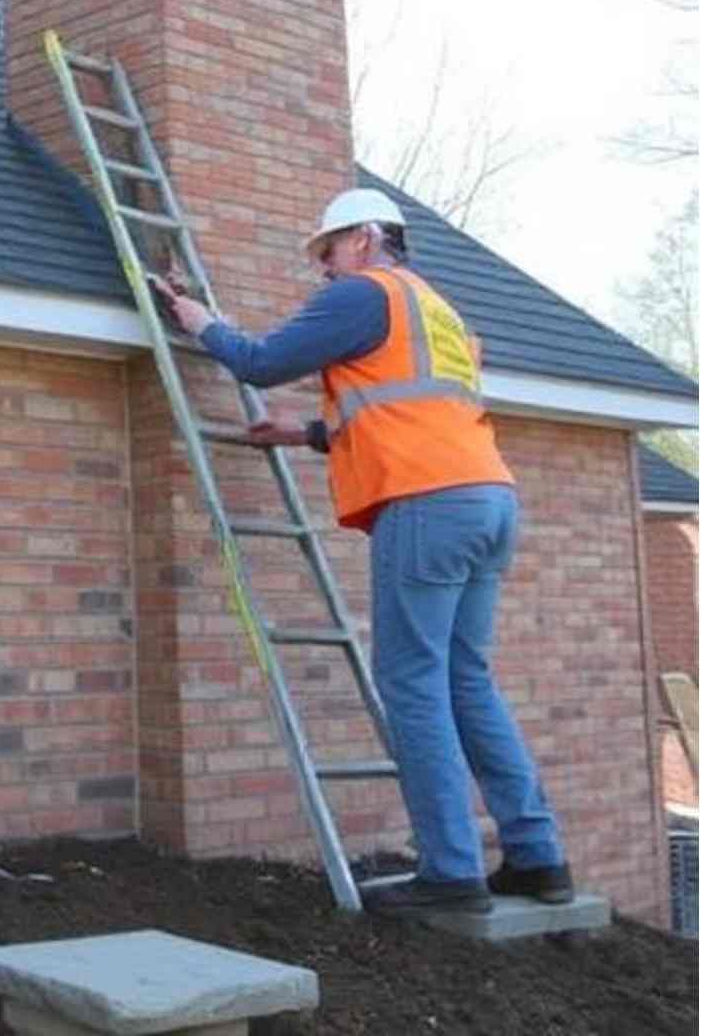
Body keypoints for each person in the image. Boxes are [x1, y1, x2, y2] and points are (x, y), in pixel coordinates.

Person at [150, 186, 573, 918]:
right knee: (466, 680)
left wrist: (199, 320)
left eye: (331, 249)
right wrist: (304, 435)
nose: (325, 268)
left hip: (427, 500)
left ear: (370, 237)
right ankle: (538, 858)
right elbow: (409, 405)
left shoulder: (364, 294)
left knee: (411, 683)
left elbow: (257, 361)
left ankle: (451, 872)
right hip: (488, 498)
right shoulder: (435, 309)